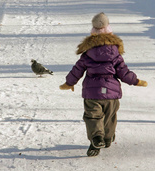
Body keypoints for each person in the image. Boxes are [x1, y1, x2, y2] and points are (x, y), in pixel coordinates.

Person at [59, 12, 147, 157]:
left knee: (93, 116)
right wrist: (136, 81)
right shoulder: (116, 54)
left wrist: (69, 83)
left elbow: (77, 70)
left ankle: (96, 137)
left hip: (92, 93)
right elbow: (124, 72)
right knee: (110, 117)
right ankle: (106, 138)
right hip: (111, 94)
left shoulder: (87, 54)